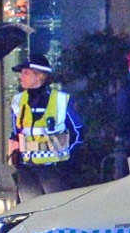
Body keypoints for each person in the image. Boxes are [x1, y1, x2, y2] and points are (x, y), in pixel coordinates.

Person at [8, 53, 82, 200]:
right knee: (30, 213)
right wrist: (16, 160)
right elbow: (16, 133)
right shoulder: (17, 101)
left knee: (56, 212)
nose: (21, 76)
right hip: (26, 169)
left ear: (40, 76)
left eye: (26, 72)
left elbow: (78, 133)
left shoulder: (61, 100)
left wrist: (67, 161)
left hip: (54, 170)